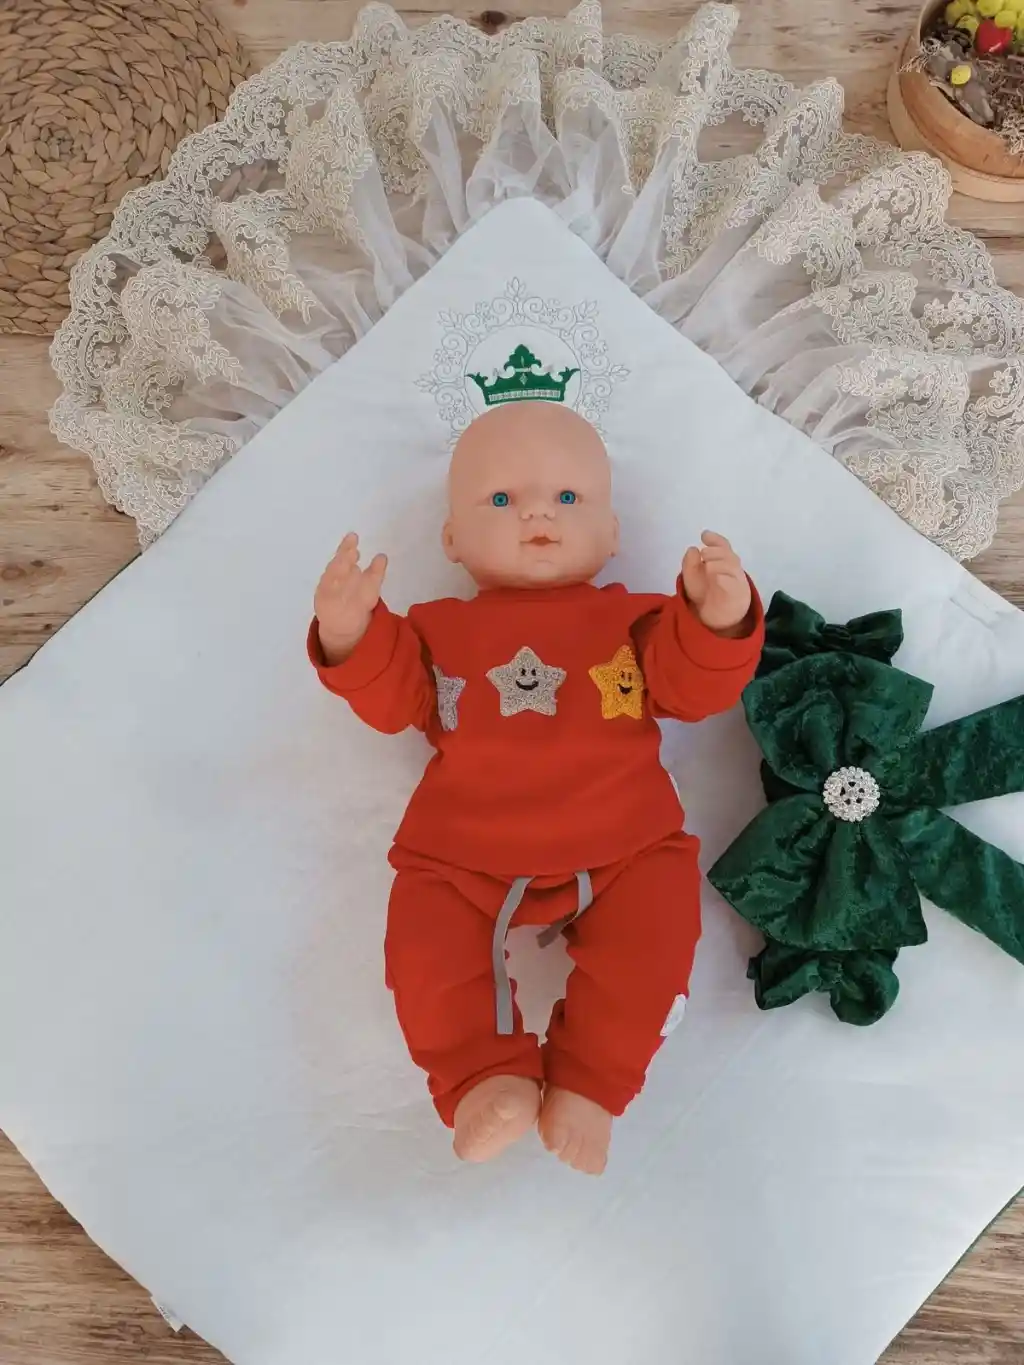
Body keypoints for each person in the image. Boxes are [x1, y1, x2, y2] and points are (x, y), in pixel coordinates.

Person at [308, 400, 764, 1174]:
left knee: (654, 945)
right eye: (500, 499)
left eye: (567, 497)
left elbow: (691, 687)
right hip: (462, 853)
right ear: (452, 540)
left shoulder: (635, 621)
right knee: (425, 953)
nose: (536, 514)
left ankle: (591, 1083)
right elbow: (393, 699)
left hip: (626, 844)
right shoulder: (436, 631)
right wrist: (351, 632)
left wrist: (718, 621)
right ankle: (484, 1077)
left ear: (612, 534)